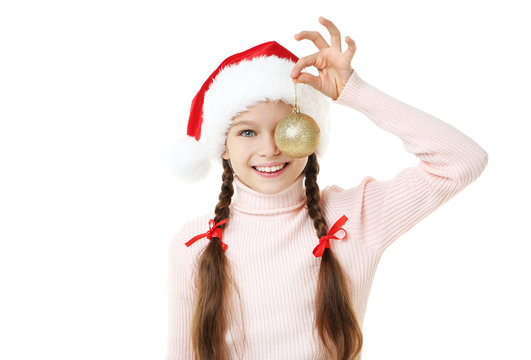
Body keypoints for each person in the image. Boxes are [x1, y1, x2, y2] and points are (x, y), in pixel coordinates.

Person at [165, 16, 488, 360]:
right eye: (247, 132)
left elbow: (462, 160)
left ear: (311, 132)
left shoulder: (352, 219)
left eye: (287, 127)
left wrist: (356, 94)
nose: (271, 149)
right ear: (222, 146)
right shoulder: (194, 242)